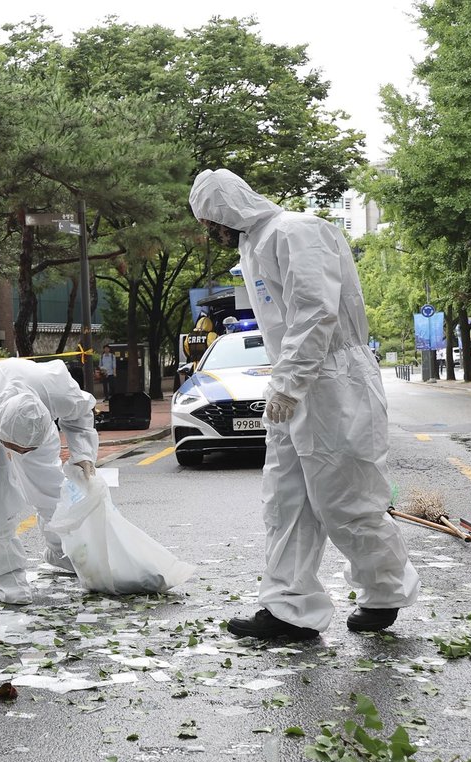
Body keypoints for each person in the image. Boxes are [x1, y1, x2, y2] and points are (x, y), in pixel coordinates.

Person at [189, 168, 420, 639]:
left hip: (336, 382)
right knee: (286, 499)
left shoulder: (297, 231)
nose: (210, 232)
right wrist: (287, 383)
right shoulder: (255, 244)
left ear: (226, 210)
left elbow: (317, 309)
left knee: (347, 497)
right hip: (295, 382)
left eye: (210, 221)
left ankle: (385, 592)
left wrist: (291, 381)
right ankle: (288, 609)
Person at [0, 358, 99, 605]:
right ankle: (8, 577)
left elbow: (81, 412)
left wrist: (84, 454)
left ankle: (60, 550)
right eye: (15, 448)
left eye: (27, 448)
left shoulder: (56, 391)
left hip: (29, 406)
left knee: (50, 487)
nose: (20, 454)